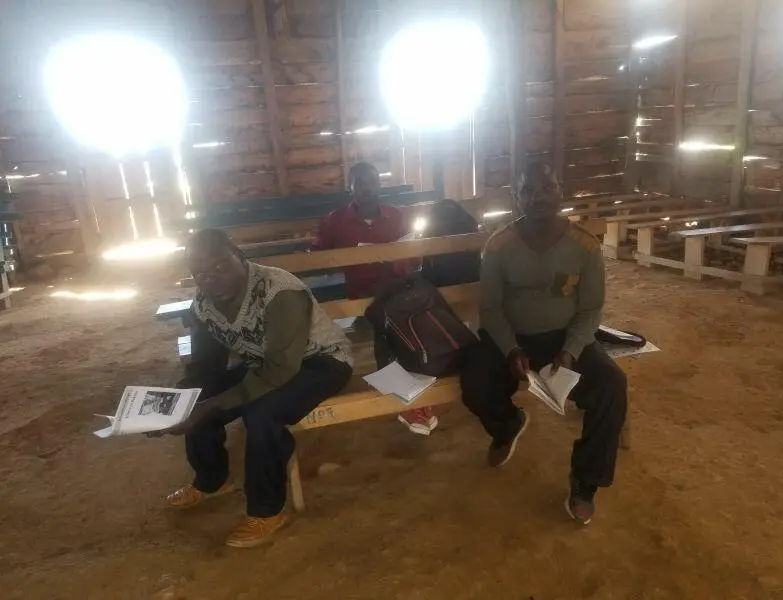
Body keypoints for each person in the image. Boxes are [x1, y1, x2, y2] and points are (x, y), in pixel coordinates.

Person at [460, 161, 627, 525]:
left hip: (565, 339)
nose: (538, 197)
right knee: (474, 380)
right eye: (528, 191)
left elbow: (591, 309)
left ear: (560, 190)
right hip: (512, 338)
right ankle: (507, 425)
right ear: (516, 198)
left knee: (611, 385)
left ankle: (585, 481)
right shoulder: (499, 246)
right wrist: (510, 349)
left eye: (547, 188)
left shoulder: (584, 245)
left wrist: (570, 350)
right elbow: (490, 309)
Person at [164, 229, 353, 548]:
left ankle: (267, 511)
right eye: (201, 274)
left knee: (262, 413)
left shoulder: (280, 292)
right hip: (265, 364)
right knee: (201, 395)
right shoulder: (204, 304)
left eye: (221, 267)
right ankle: (212, 480)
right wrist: (176, 403)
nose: (212, 280)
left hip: (322, 362)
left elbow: (280, 370)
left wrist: (214, 406)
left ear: (240, 256)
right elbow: (205, 366)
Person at [314, 161, 436, 435]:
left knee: (402, 323)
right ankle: (411, 400)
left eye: (371, 181)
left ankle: (412, 396)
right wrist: (341, 259)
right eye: (359, 182)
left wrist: (397, 257)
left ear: (379, 184)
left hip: (397, 289)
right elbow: (319, 258)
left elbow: (413, 254)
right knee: (389, 324)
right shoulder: (335, 220)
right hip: (361, 295)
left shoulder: (396, 215)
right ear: (350, 187)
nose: (366, 187)